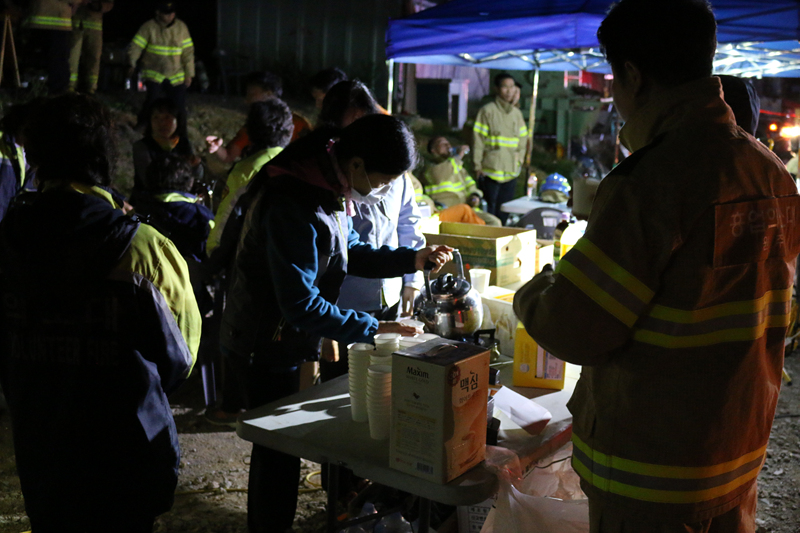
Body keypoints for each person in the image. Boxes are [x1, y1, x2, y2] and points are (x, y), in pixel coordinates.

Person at [512, 1, 800, 531]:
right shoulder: (770, 172)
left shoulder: (651, 181)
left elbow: (574, 328)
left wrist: (534, 291)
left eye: (613, 80)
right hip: (735, 458)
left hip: (651, 477)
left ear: (634, 76)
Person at [221, 114, 453, 533]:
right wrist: (374, 327)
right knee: (276, 450)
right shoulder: (293, 200)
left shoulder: (328, 185)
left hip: (285, 334)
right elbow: (300, 304)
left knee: (285, 446)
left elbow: (350, 250)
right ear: (358, 164)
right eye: (384, 181)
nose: (384, 190)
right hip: (263, 339)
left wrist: (411, 259)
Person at [0, 93, 200, 532]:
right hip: (127, 456)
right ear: (105, 159)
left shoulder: (7, 241)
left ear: (35, 158)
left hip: (42, 452)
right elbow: (181, 359)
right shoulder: (143, 248)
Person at [206, 71, 312, 164]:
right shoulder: (254, 124)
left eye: (251, 94)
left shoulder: (299, 124)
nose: (246, 100)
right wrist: (217, 148)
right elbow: (229, 156)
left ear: (269, 94)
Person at [128, 1, 194, 134]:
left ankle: (181, 134)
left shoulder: (181, 28)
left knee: (179, 107)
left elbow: (188, 53)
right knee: (152, 101)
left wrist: (189, 74)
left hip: (176, 75)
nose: (170, 16)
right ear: (158, 13)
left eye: (172, 13)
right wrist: (131, 63)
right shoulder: (148, 27)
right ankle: (142, 126)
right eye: (166, 13)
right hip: (154, 73)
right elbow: (136, 46)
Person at [472, 73, 528, 224]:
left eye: (512, 87)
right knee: (489, 211)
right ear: (497, 89)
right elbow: (478, 140)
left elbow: (523, 140)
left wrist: (520, 160)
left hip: (510, 171)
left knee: (505, 210)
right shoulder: (487, 111)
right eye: (505, 87)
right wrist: (477, 165)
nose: (509, 91)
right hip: (490, 170)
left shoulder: (516, 114)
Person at [132, 97, 199, 202]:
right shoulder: (142, 147)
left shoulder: (183, 144)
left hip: (181, 201)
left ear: (177, 120)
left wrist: (196, 166)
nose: (162, 123)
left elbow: (196, 175)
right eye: (156, 118)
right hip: (149, 202)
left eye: (167, 117)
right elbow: (149, 180)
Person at [424, 135, 501, 226]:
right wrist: (459, 156)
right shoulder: (430, 168)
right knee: (479, 225)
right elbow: (441, 175)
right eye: (443, 144)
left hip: (467, 209)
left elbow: (471, 185)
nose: (448, 146)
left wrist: (474, 195)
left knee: (494, 222)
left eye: (448, 144)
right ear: (433, 150)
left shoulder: (457, 167)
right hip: (447, 210)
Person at [24, 0, 78, 94]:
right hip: (59, 24)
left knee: (37, 61)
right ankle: (55, 94)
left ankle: (33, 90)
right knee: (58, 64)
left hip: (37, 20)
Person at [69, 0, 113, 94]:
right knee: (73, 57)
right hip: (76, 23)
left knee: (94, 57)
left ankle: (91, 88)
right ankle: (70, 87)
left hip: (94, 25)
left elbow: (109, 4)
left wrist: (97, 5)